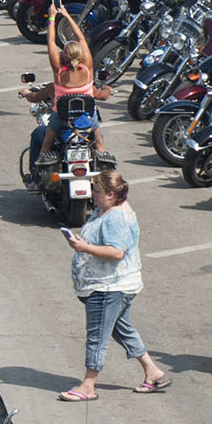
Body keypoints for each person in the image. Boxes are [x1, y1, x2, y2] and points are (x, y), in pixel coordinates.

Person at [59, 169, 168, 401]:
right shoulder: (104, 211)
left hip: (109, 287)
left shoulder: (116, 217)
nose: (92, 195)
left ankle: (88, 385)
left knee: (97, 334)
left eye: (96, 191)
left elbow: (116, 252)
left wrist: (84, 248)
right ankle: (153, 371)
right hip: (111, 285)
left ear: (110, 194)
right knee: (121, 328)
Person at [25, 3, 108, 176]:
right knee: (100, 146)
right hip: (87, 116)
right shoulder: (87, 69)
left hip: (60, 117)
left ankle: (37, 177)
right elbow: (81, 38)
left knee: (45, 147)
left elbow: (50, 40)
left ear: (64, 56)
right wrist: (68, 15)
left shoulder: (59, 71)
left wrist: (53, 17)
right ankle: (107, 175)